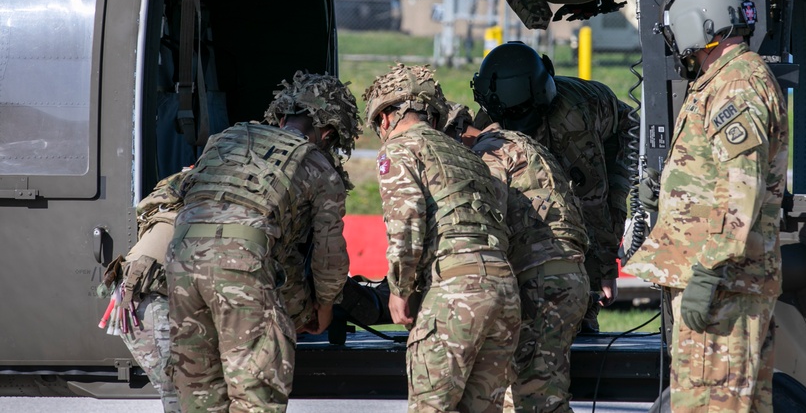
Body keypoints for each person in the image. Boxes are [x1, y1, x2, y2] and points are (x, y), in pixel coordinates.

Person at [624, 0, 788, 413]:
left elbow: (742, 188)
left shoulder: (736, 86)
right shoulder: (729, 81)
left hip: (722, 287)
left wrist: (709, 272)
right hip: (725, 284)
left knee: (707, 405)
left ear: (702, 24)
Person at [165, 71, 360, 413]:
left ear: (282, 115)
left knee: (199, 395)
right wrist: (325, 307)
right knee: (257, 395)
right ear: (327, 132)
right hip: (239, 265)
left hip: (181, 261)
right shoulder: (317, 164)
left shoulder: (227, 139)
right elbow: (328, 256)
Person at [363, 64, 520, 413]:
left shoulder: (400, 150)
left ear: (387, 116)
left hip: (455, 291)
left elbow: (407, 223)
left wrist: (400, 290)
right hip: (504, 291)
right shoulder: (467, 156)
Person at [471, 41, 633, 333]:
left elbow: (593, 204)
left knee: (586, 207)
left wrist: (606, 272)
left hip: (615, 139)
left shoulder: (573, 121)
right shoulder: (491, 118)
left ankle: (582, 316)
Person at [444, 102, 590, 413]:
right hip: (563, 276)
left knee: (536, 399)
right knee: (533, 394)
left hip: (541, 282)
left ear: (458, 135)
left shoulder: (489, 153)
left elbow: (489, 228)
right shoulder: (519, 142)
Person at [100, 169, 188, 413]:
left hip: (140, 293)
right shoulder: (210, 204)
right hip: (146, 300)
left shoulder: (175, 193)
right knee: (180, 392)